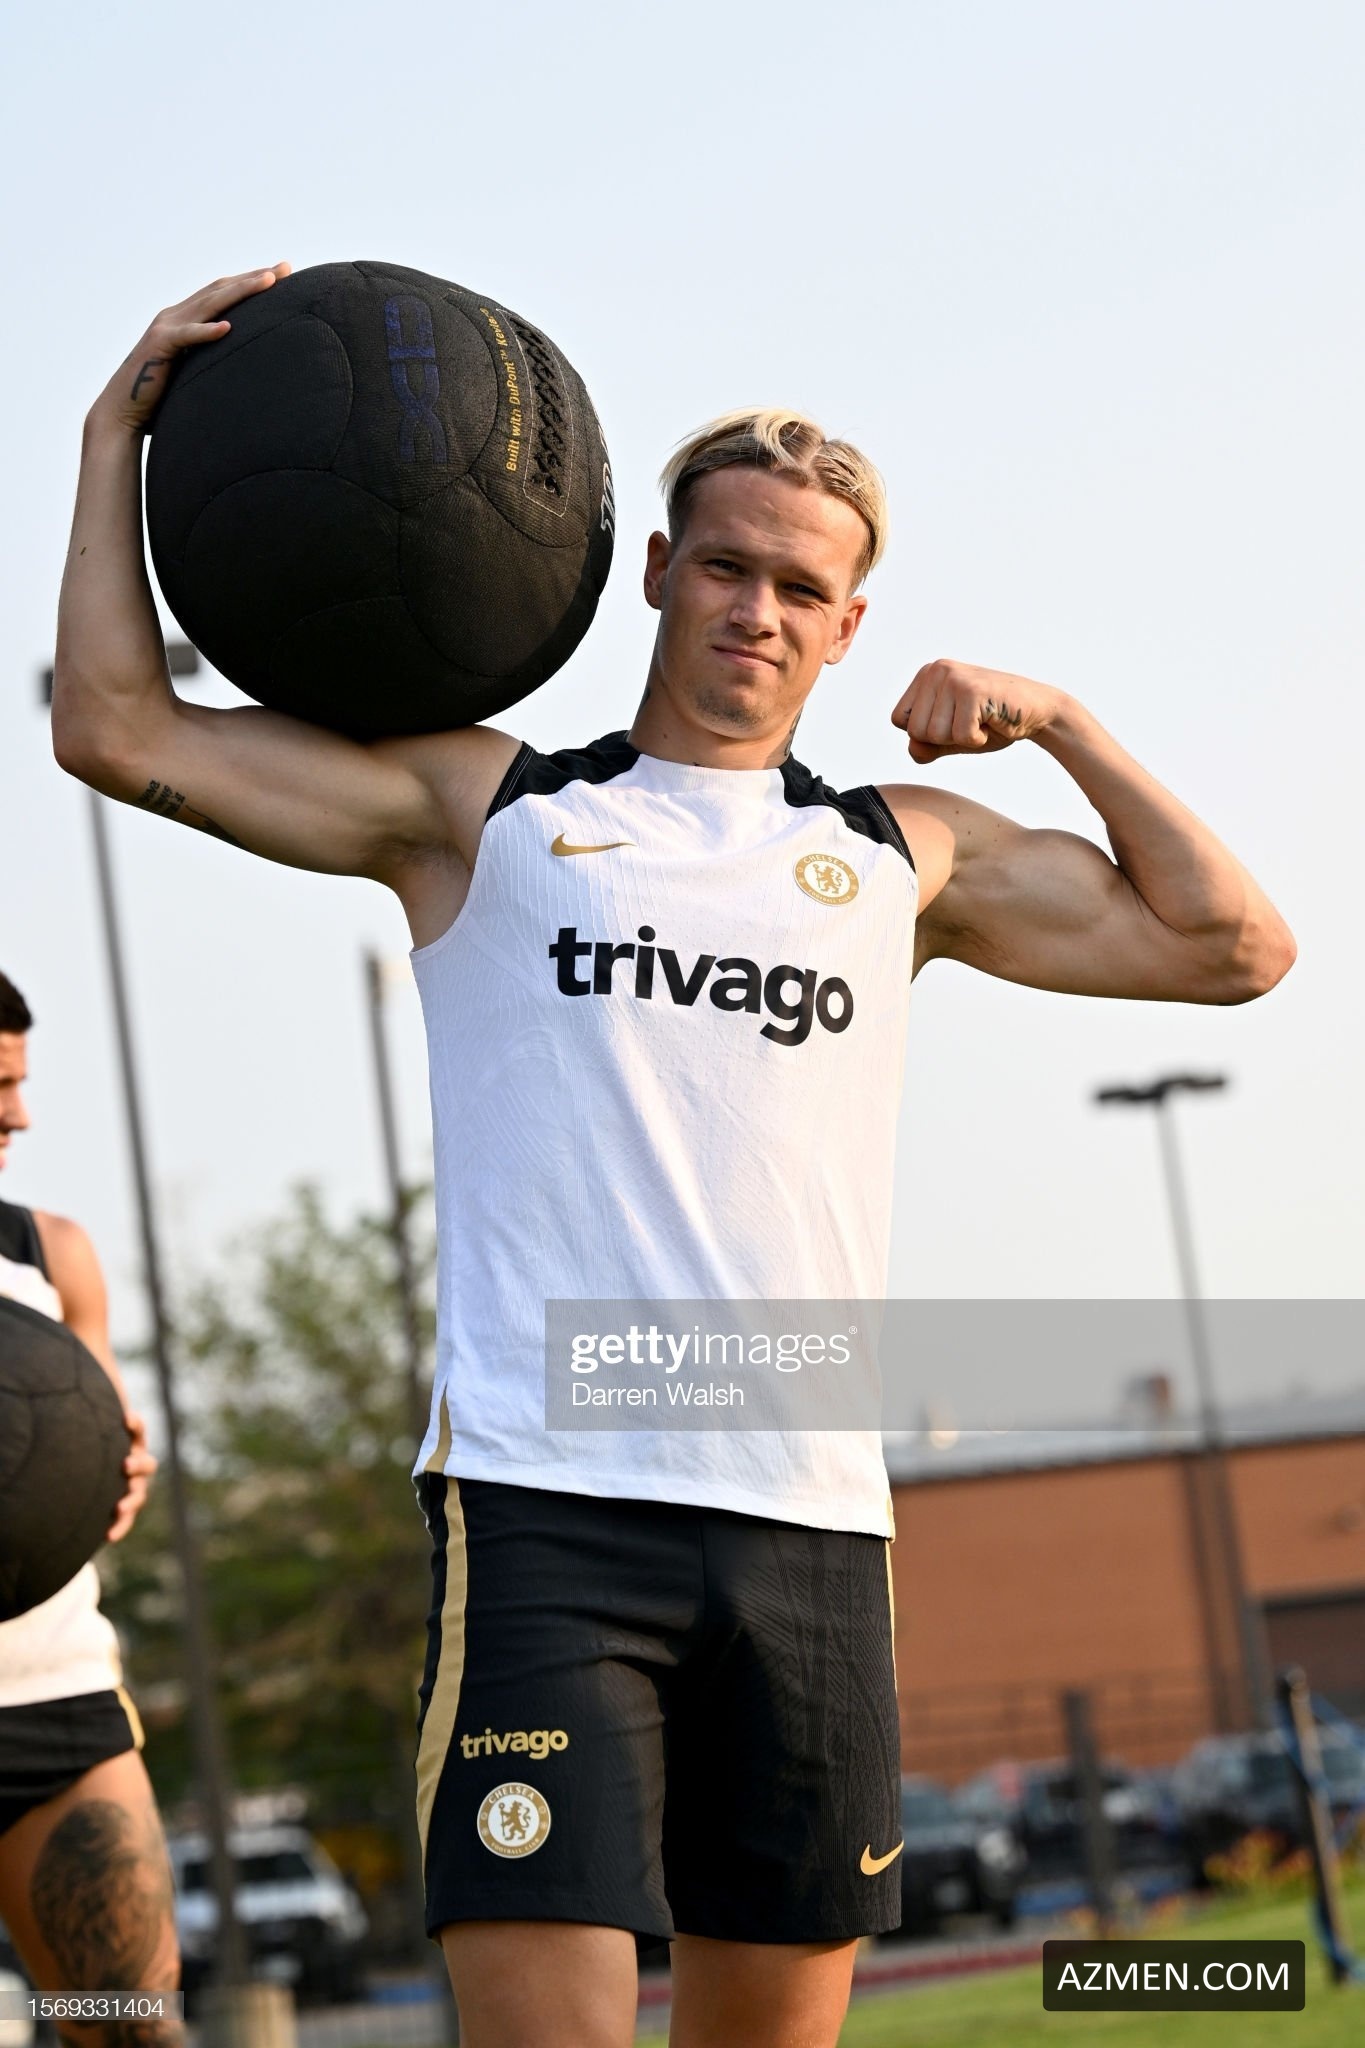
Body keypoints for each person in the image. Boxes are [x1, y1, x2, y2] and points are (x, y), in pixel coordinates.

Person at [51, 266, 1295, 2048]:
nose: (756, 609)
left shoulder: (905, 856)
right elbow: (114, 727)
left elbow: (1233, 948)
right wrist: (116, 433)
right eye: (726, 566)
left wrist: (1066, 727)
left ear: (848, 626)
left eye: (800, 587)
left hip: (811, 1533)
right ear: (652, 569)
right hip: (547, 1513)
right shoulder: (485, 812)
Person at [0, 972, 179, 2047]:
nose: (18, 1115)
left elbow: (94, 1453)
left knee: (127, 2031)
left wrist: (123, 1468)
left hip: (54, 1704)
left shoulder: (50, 1254)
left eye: (19, 1083)